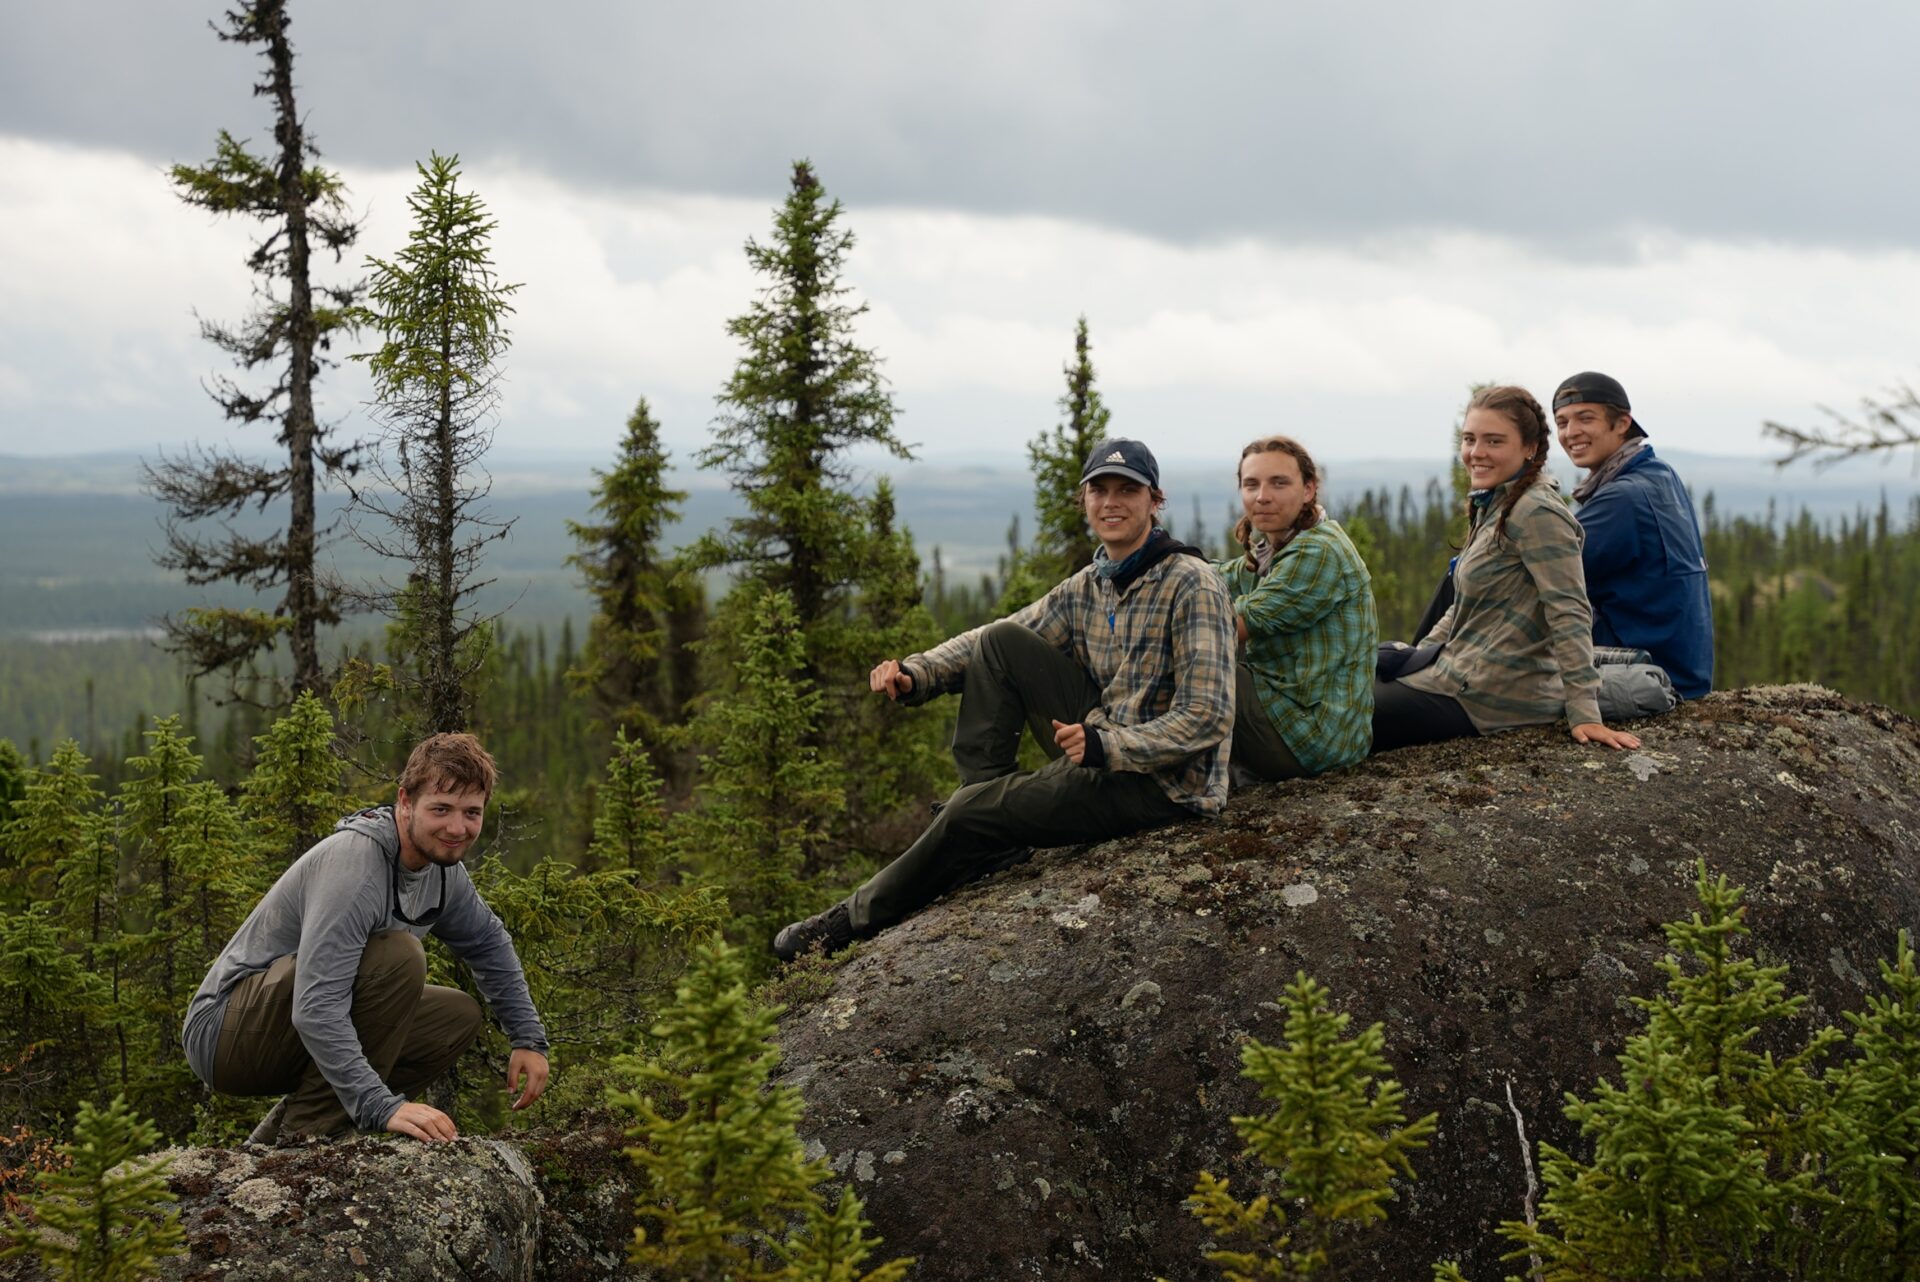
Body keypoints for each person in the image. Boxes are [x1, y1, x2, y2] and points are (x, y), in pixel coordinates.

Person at [772, 437, 1236, 960]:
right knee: (1000, 643)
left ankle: (845, 922)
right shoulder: (1091, 585)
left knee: (967, 812)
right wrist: (915, 672)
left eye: (1127, 490)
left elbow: (1208, 715)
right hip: (1102, 741)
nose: (1111, 502)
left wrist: (1111, 747)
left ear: (1155, 500)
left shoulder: (1191, 583)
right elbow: (995, 636)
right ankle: (993, 830)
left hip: (1162, 786)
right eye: (1098, 489)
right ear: (1083, 500)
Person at [182, 733, 550, 1145]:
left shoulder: (443, 873)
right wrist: (380, 1105)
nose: (457, 827)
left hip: (283, 1029)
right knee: (399, 956)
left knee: (455, 1017)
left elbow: (487, 942)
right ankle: (308, 1140)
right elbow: (316, 1006)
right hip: (225, 1037)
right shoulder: (356, 865)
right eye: (441, 809)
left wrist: (528, 1038)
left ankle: (290, 1138)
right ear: (405, 802)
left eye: (471, 812)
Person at [1372, 385, 1642, 754]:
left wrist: (1584, 711)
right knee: (1353, 683)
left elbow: (1570, 610)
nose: (1476, 453)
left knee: (1341, 713)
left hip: (1492, 697)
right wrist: (1418, 657)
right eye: (1469, 439)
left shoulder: (1537, 512)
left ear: (1530, 448)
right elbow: (1466, 603)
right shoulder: (1496, 504)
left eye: (1494, 442)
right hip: (1457, 675)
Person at [1214, 435, 1376, 780]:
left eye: (1279, 483)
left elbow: (1230, 624)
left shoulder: (1318, 551)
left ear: (1308, 490)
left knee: (1202, 664)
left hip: (1313, 737)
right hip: (1291, 717)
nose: (1262, 496)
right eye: (1251, 484)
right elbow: (1217, 579)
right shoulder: (1273, 549)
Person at [1552, 371, 1714, 714]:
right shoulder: (1657, 473)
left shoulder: (1624, 498)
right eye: (1562, 422)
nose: (1570, 433)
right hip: (1680, 671)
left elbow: (1540, 569)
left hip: (1647, 674)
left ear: (1622, 423)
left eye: (1585, 418)